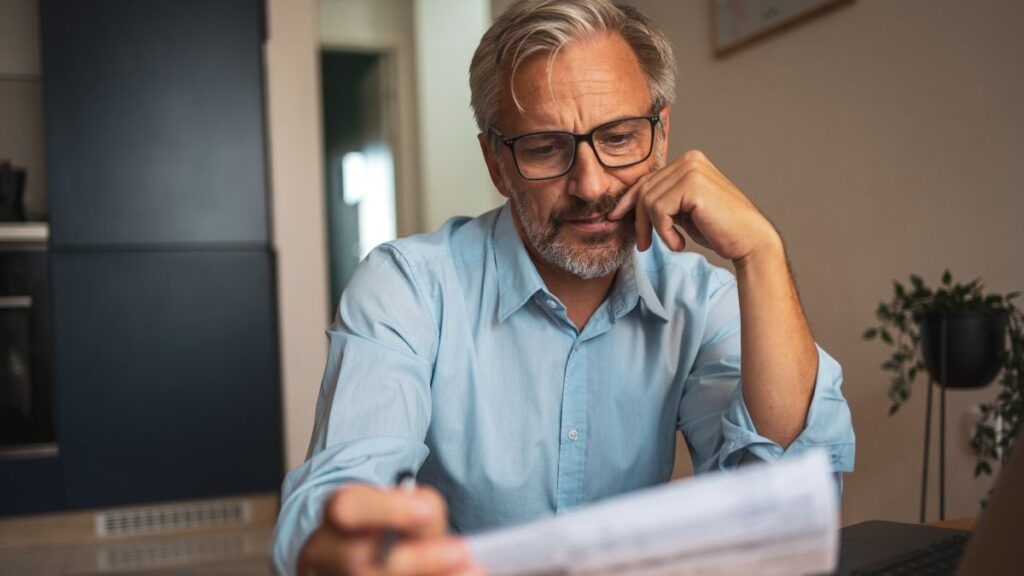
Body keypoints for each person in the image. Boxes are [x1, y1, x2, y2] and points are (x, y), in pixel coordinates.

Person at [272, 1, 855, 574]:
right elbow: (340, 486)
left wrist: (761, 253)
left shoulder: (698, 300)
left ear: (661, 134)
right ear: (496, 163)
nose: (590, 183)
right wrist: (342, 546)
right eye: (545, 147)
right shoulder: (407, 287)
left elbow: (788, 501)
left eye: (621, 137)